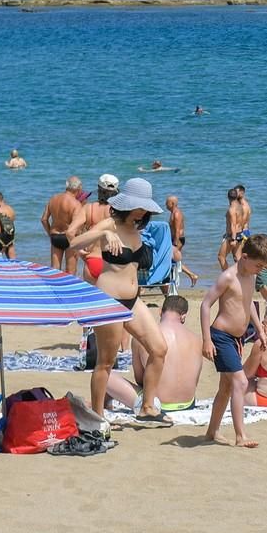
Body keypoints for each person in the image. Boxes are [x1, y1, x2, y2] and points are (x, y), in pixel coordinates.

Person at [68, 178, 171, 420]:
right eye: (140, 205)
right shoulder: (110, 224)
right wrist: (103, 232)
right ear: (128, 204)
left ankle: (147, 406)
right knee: (106, 362)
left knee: (159, 349)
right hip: (109, 301)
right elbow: (73, 243)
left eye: (146, 206)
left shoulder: (137, 228)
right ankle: (97, 415)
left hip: (133, 301)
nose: (144, 211)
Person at [199, 232, 267, 447]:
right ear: (245, 257)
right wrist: (207, 340)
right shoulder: (228, 276)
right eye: (258, 265)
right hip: (220, 336)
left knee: (225, 388)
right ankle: (240, 436)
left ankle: (211, 432)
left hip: (237, 339)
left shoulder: (250, 276)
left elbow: (248, 302)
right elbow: (205, 305)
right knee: (240, 382)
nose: (260, 270)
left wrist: (260, 329)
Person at [104, 295, 204, 413]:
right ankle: (106, 403)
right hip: (188, 403)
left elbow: (140, 379)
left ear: (160, 311)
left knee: (105, 374)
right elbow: (195, 381)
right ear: (183, 316)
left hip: (156, 404)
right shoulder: (198, 340)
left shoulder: (144, 337)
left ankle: (104, 404)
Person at [66, 173, 118, 280]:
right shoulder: (119, 211)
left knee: (91, 296)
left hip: (92, 259)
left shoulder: (88, 208)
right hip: (111, 261)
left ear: (98, 189)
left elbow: (70, 232)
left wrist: (79, 251)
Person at [40, 176, 83, 270]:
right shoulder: (76, 204)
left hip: (55, 236)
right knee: (70, 272)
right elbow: (76, 228)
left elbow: (44, 219)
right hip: (69, 238)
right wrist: (78, 245)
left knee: (55, 270)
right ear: (78, 189)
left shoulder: (53, 199)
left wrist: (50, 234)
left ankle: (54, 284)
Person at [164, 194, 199, 287]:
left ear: (172, 203)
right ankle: (191, 275)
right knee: (174, 260)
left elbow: (177, 230)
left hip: (178, 239)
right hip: (174, 239)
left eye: (167, 203)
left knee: (173, 259)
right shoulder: (172, 213)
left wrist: (175, 243)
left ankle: (191, 275)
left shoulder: (176, 214)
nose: (165, 205)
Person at [218, 185, 253, 270]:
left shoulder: (232, 209)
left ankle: (226, 277)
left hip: (233, 236)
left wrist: (233, 239)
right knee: (238, 259)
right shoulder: (240, 206)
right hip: (240, 234)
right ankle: (243, 276)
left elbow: (233, 224)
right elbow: (240, 222)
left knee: (221, 257)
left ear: (228, 197)